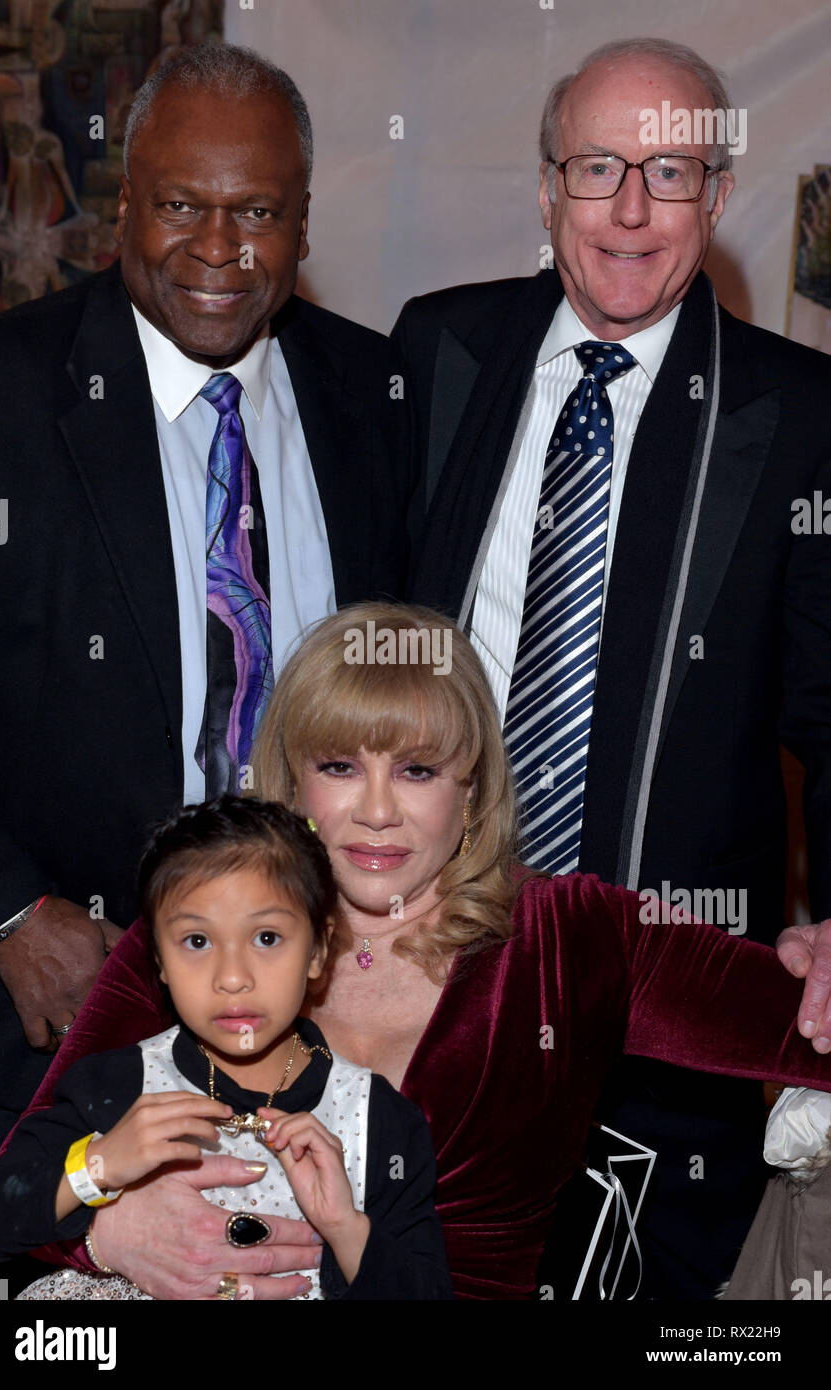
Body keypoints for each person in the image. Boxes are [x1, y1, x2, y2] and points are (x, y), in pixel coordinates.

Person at [6, 603, 831, 1300]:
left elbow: (809, 1021)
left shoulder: (574, 937)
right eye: (338, 766)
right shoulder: (202, 926)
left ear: (471, 788)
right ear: (292, 785)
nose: (375, 812)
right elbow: (18, 1186)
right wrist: (105, 1230)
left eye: (417, 770)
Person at [391, 36, 831, 1296]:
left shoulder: (796, 416)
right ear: (544, 188)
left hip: (662, 1020)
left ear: (716, 196)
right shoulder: (436, 354)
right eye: (597, 168)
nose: (630, 210)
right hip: (416, 976)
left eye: (670, 172)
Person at [0, 43, 413, 1182]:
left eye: (256, 210)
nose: (218, 249)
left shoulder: (374, 397)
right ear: (125, 206)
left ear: (304, 224)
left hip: (329, 1041)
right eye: (180, 205)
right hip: (50, 1036)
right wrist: (8, 911)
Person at [0, 798, 451, 1300]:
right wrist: (98, 1165)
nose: (232, 978)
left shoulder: (381, 1119)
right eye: (197, 942)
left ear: (318, 950)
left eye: (266, 937)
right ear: (159, 961)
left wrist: (344, 1228)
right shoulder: (114, 1086)